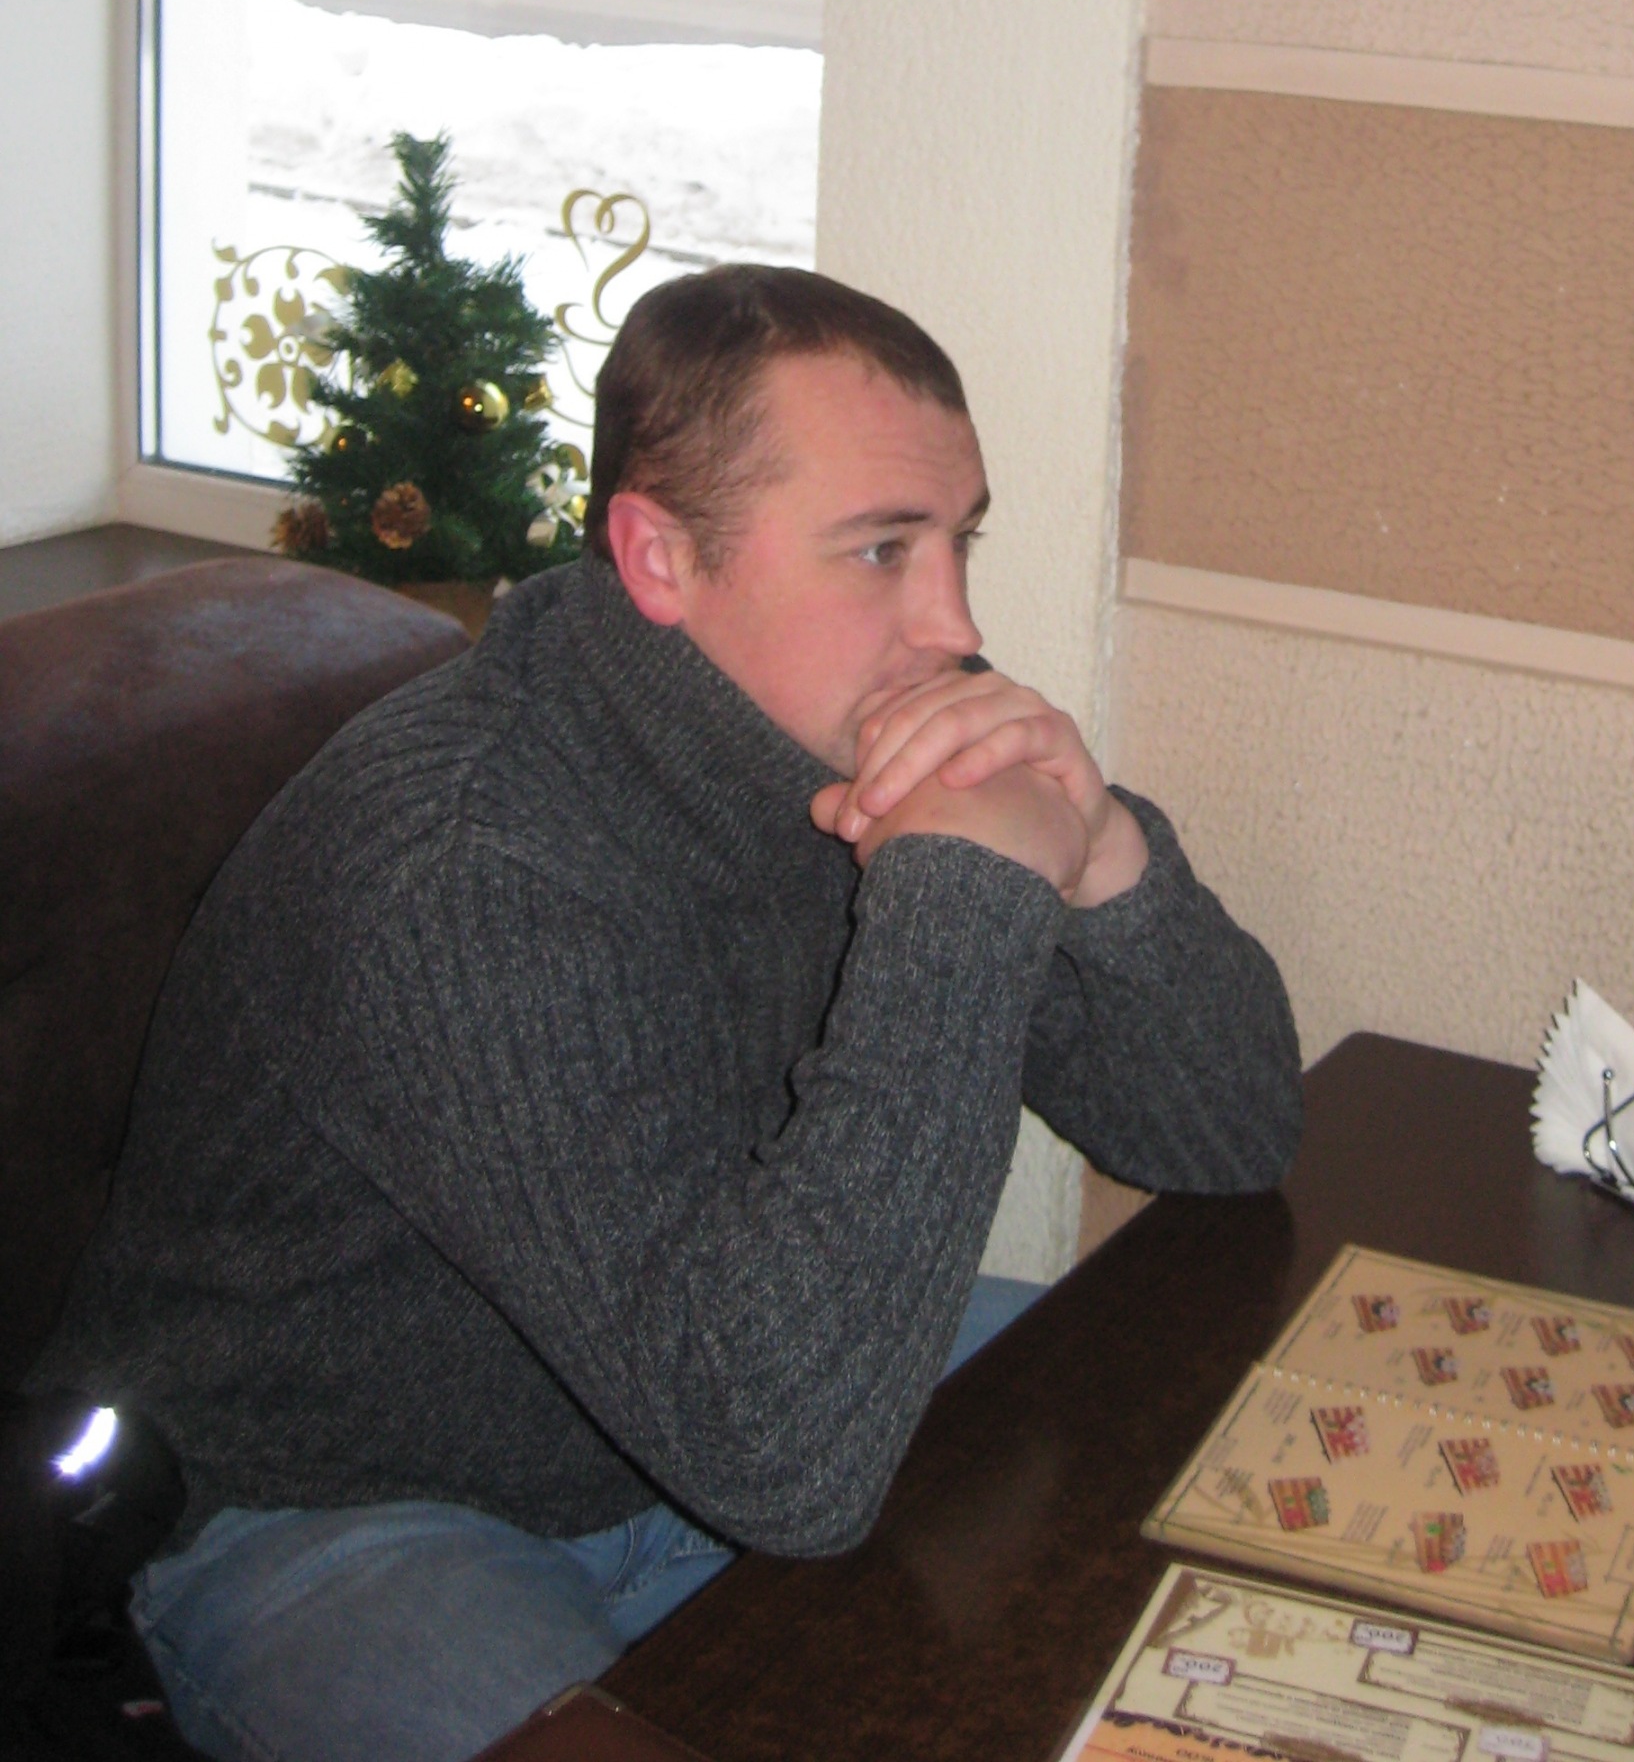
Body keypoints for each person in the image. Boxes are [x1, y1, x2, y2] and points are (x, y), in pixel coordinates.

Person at [27, 266, 1303, 1762]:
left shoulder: (833, 720)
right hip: (342, 1502)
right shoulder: (459, 866)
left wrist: (1102, 858)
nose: (954, 623)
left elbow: (1228, 1137)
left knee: (1223, 1416)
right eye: (881, 549)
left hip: (711, 1379)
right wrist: (956, 905)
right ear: (659, 558)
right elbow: (781, 1456)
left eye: (959, 539)